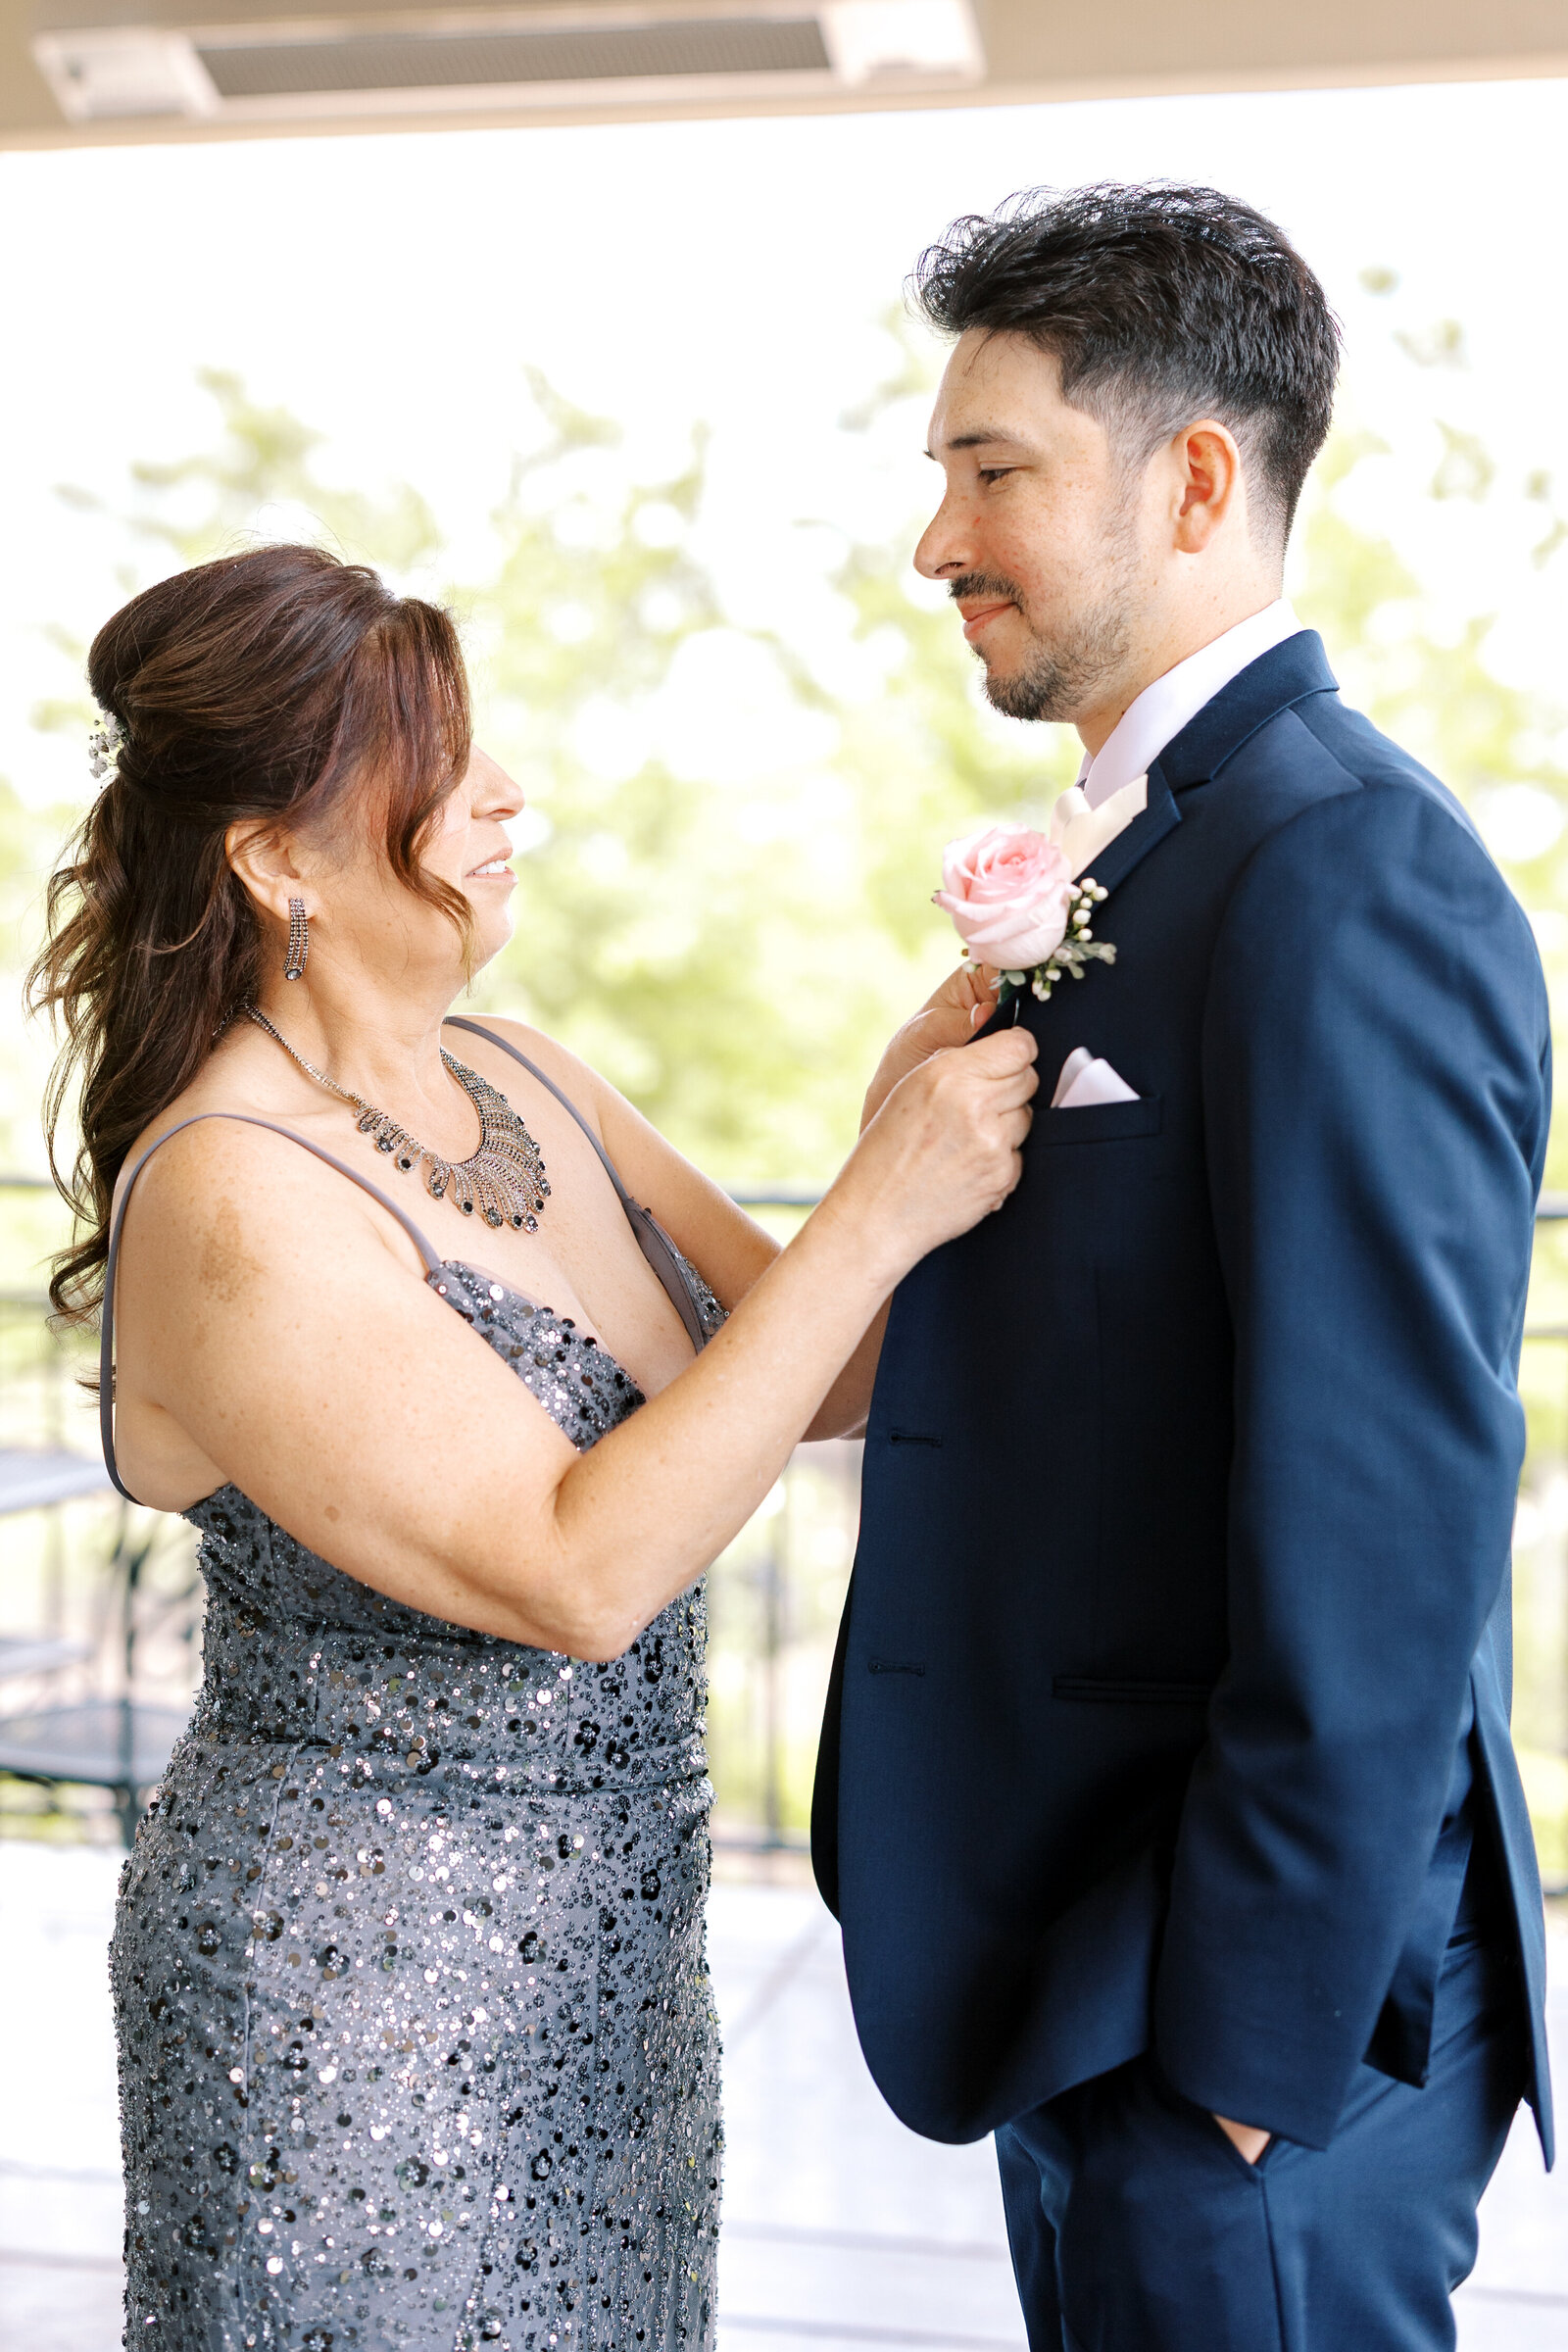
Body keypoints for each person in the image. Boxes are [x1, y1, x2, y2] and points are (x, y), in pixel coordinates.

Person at [31, 542, 1037, 2352]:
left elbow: (818, 1372)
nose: (507, 797)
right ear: (273, 857)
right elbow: (575, 1572)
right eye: (441, 758)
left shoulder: (533, 1072)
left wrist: (896, 1125)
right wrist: (875, 1209)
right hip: (357, 2022)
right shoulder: (230, 1189)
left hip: (615, 1980)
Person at [811, 183, 1553, 2350]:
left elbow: (1387, 1508)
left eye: (989, 470)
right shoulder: (1149, 848)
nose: (932, 540)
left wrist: (1234, 2078)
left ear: (1194, 480)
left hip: (1235, 2021)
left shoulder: (1344, 869)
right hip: (1086, 1974)